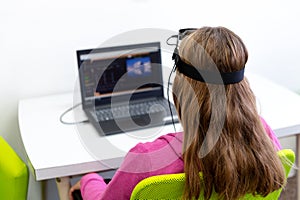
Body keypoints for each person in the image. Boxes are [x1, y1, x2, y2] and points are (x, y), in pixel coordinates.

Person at [69, 26, 285, 200]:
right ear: (242, 88)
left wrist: (89, 180)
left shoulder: (147, 159)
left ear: (181, 92)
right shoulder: (263, 134)